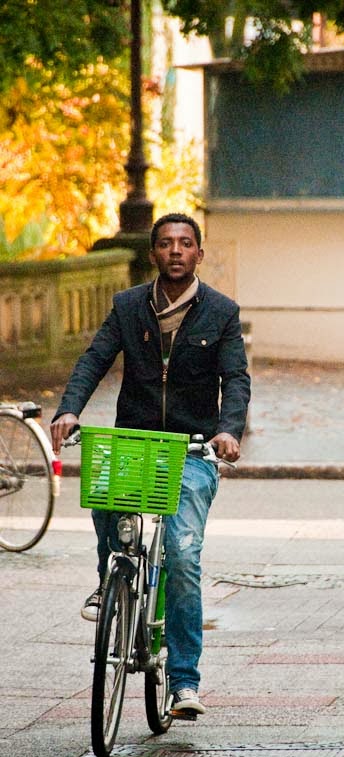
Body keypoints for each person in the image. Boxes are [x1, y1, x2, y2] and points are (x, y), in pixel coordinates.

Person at [50, 212, 251, 717]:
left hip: (193, 449)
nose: (175, 251)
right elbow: (94, 359)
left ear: (199, 253)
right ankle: (109, 580)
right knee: (104, 501)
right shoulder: (128, 306)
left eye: (185, 243)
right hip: (135, 442)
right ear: (153, 253)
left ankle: (183, 682)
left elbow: (236, 379)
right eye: (165, 243)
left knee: (182, 555)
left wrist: (228, 430)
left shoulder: (221, 312)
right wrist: (69, 409)